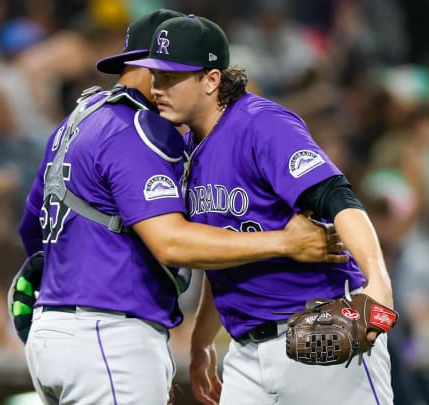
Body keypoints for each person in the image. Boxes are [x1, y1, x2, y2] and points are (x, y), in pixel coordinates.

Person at [18, 9, 346, 405]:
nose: (163, 85)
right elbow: (171, 243)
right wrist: (285, 242)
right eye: (163, 71)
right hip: (108, 332)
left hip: (52, 335)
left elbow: (32, 233)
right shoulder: (134, 129)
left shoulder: (74, 123)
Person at [125, 14, 396, 405]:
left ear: (211, 80)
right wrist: (201, 341)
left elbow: (339, 198)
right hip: (246, 354)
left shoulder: (261, 125)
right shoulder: (188, 150)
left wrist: (379, 282)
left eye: (172, 77)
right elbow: (221, 251)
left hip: (319, 335)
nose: (158, 87)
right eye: (156, 75)